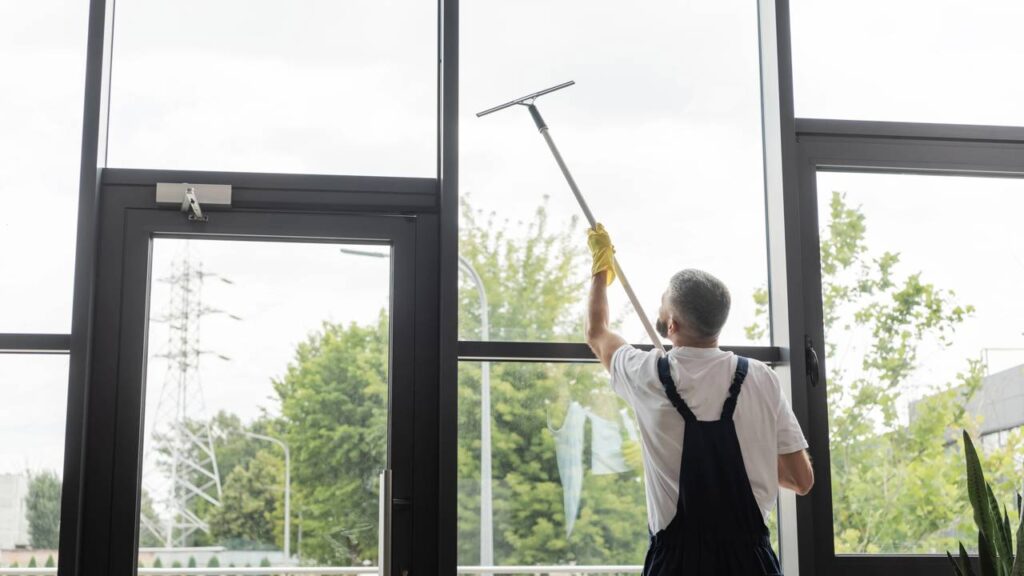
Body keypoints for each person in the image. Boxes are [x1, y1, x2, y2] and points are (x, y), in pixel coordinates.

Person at [584, 224, 813, 575]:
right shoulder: (761, 378)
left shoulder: (646, 373)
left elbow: (597, 332)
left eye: (662, 305)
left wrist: (601, 268)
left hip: (678, 565)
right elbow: (801, 480)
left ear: (671, 325)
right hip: (751, 565)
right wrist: (757, 459)